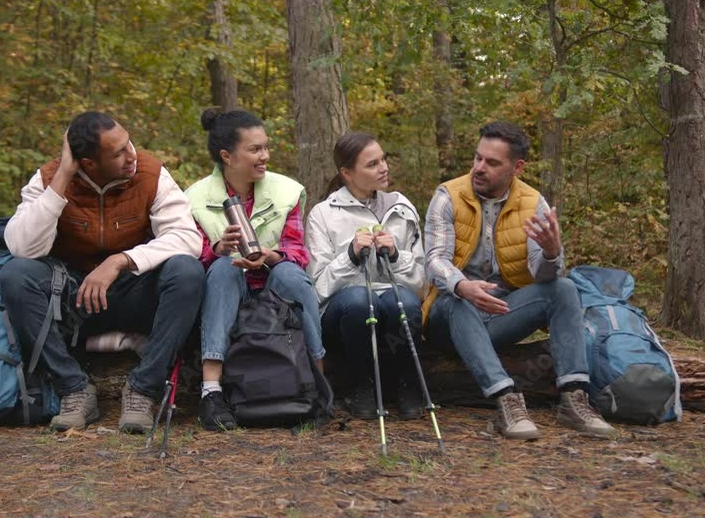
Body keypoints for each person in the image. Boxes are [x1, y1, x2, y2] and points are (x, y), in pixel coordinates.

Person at [0, 111, 204, 433]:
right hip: (75, 297)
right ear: (88, 163)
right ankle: (73, 389)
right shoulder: (50, 178)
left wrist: (119, 261)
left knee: (187, 271)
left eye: (128, 144)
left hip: (134, 290)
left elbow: (188, 238)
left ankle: (143, 390)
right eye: (118, 152)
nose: (131, 155)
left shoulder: (151, 173)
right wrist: (63, 177)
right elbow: (22, 248)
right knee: (15, 275)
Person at [423, 120, 614, 439]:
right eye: (477, 158)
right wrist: (463, 286)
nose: (479, 168)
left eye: (492, 162)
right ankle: (506, 400)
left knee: (564, 288)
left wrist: (552, 252)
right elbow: (434, 261)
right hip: (450, 315)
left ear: (517, 167)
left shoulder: (532, 203)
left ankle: (574, 398)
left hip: (501, 313)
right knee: (455, 299)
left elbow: (545, 275)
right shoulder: (448, 196)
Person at [186, 108, 324, 431]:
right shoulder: (193, 199)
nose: (265, 156)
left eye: (265, 147)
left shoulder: (285, 191)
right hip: (228, 292)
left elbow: (298, 252)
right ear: (227, 156)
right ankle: (211, 393)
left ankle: (319, 382)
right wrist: (218, 249)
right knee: (222, 268)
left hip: (275, 289)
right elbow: (191, 258)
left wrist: (270, 256)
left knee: (290, 272)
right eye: (255, 149)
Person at [306, 132, 427, 420]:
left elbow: (422, 285)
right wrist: (349, 256)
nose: (383, 167)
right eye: (372, 164)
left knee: (406, 305)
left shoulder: (402, 208)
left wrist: (396, 256)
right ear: (347, 173)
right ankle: (362, 386)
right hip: (345, 311)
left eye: (383, 159)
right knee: (363, 300)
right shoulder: (323, 214)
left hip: (393, 302)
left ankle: (409, 386)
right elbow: (318, 287)